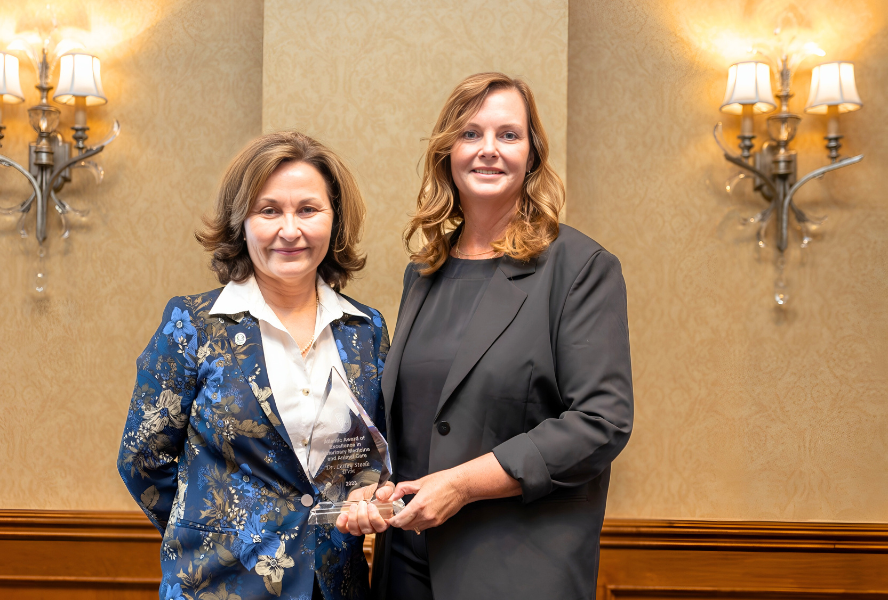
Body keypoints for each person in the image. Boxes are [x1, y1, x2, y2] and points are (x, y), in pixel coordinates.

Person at [336, 72, 634, 599]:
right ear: (447, 152)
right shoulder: (424, 273)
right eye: (471, 134)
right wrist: (371, 489)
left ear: (533, 154)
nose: (488, 150)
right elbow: (410, 420)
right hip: (404, 565)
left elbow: (601, 422)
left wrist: (461, 484)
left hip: (516, 571)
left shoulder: (580, 268)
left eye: (508, 135)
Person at [118, 131, 390, 600]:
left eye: (308, 209)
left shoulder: (364, 330)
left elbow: (370, 454)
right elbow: (144, 459)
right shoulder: (193, 325)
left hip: (334, 587)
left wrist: (366, 498)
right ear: (241, 222)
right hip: (219, 586)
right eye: (269, 211)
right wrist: (217, 532)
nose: (290, 230)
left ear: (334, 220)